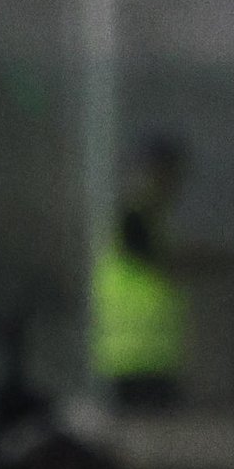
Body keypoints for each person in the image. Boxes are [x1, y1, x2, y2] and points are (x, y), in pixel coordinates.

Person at [91, 134, 189, 410]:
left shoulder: (151, 222)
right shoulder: (132, 219)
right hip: (132, 359)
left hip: (150, 356)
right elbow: (164, 262)